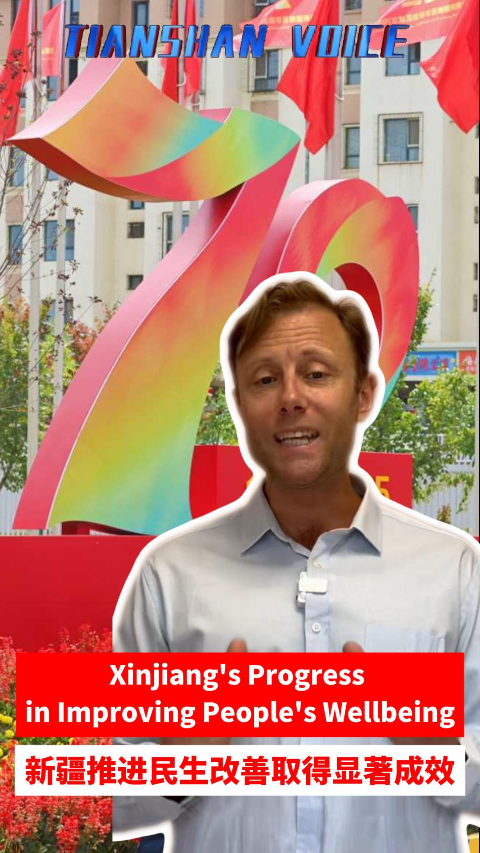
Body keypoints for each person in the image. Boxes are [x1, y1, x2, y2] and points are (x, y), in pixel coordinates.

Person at [113, 273, 480, 853]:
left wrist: (424, 742)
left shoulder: (454, 570)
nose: (290, 397)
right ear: (240, 406)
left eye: (316, 373)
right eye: (265, 379)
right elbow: (114, 793)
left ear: (363, 394)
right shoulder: (168, 574)